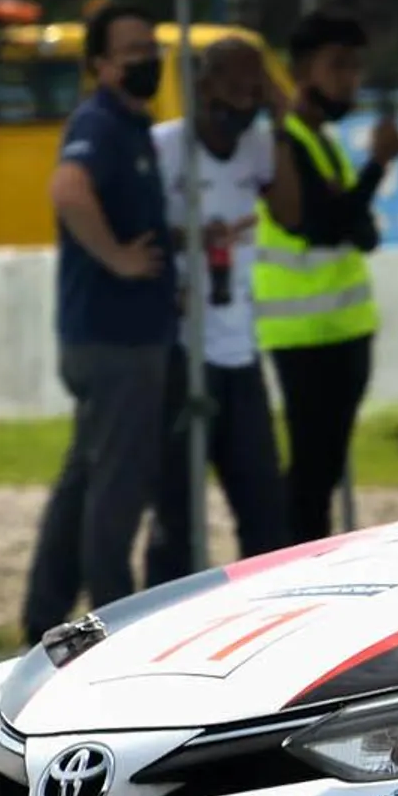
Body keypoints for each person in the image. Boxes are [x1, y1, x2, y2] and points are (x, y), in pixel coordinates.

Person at [20, 4, 182, 637]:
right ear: (99, 65)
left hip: (118, 332)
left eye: (151, 45)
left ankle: (44, 612)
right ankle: (112, 617)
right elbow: (68, 189)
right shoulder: (102, 124)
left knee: (85, 476)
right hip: (117, 338)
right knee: (118, 483)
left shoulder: (132, 127)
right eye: (132, 51)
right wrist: (117, 258)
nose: (148, 60)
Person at [254, 8, 398, 543]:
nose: (350, 81)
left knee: (322, 468)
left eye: (356, 68)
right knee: (312, 475)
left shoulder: (322, 143)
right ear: (300, 72)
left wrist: (362, 185)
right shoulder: (287, 142)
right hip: (305, 334)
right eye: (337, 66)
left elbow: (360, 232)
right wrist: (377, 166)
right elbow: (323, 225)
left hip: (342, 329)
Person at [149, 35, 298, 571]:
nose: (243, 101)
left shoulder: (260, 145)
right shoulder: (164, 147)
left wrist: (283, 126)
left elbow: (290, 213)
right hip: (182, 351)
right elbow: (140, 230)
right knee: (177, 510)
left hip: (239, 351)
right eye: (233, 87)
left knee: (263, 504)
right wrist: (186, 239)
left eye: (254, 90)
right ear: (203, 87)